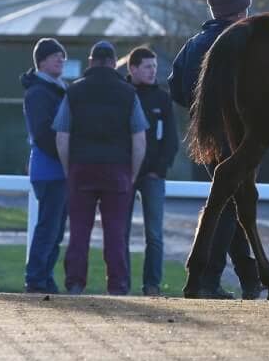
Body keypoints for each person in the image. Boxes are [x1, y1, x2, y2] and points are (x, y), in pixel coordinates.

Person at [168, 0, 262, 300]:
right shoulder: (245, 43)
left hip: (204, 137)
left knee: (230, 202)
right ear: (241, 11)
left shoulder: (194, 43)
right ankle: (208, 279)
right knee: (225, 205)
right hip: (236, 136)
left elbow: (177, 89)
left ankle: (249, 278)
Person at [54, 41, 148, 295]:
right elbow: (139, 139)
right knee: (116, 232)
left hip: (81, 168)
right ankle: (117, 285)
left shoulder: (74, 92)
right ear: (114, 61)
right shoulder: (128, 93)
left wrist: (68, 169)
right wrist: (133, 173)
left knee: (79, 231)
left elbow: (62, 136)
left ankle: (75, 283)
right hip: (117, 170)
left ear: (91, 60)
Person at [124, 46, 179, 296]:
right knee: (120, 232)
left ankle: (152, 285)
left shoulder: (162, 98)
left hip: (153, 177)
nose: (152, 71)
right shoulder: (122, 94)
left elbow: (171, 139)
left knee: (154, 235)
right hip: (124, 175)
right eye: (147, 66)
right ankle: (119, 283)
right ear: (132, 68)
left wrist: (160, 169)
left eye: (154, 67)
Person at [21, 38, 68, 293]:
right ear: (41, 61)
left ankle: (45, 276)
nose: (61, 60)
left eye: (62, 56)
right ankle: (36, 277)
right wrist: (66, 157)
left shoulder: (58, 89)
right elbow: (42, 133)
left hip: (58, 170)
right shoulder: (39, 93)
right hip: (49, 169)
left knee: (56, 228)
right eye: (55, 56)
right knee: (49, 227)